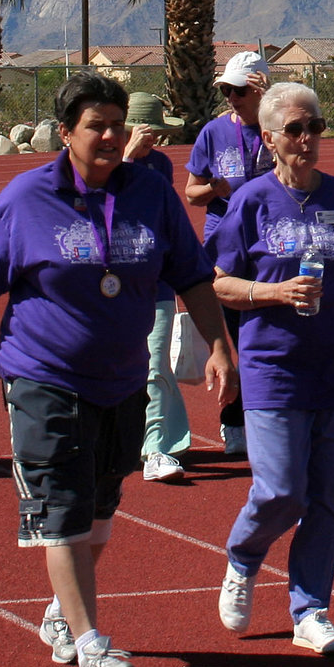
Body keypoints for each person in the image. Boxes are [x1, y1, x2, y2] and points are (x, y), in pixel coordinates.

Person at [0, 71, 235, 667]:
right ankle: (92, 649)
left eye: (118, 124)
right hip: (43, 375)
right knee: (61, 506)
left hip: (121, 378)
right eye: (97, 126)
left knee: (100, 508)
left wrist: (220, 344)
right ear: (66, 133)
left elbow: (192, 274)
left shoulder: (151, 193)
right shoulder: (27, 197)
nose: (112, 136)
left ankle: (62, 615)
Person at [207, 82, 334, 655]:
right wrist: (273, 293)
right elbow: (218, 282)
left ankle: (311, 610)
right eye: (295, 129)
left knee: (325, 497)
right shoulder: (250, 201)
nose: (307, 139)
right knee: (281, 492)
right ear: (269, 138)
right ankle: (244, 557)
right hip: (272, 365)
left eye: (315, 127)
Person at [184, 50, 272, 460]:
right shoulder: (214, 133)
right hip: (226, 245)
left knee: (268, 337)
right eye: (226, 90)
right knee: (237, 337)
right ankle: (234, 422)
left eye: (240, 90)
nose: (232, 97)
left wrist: (275, 110)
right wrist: (214, 190)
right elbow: (191, 192)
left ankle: (270, 420)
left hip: (271, 244)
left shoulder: (280, 128)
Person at [120, 92, 192, 482]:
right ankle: (163, 438)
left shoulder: (161, 165)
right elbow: (106, 203)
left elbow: (156, 212)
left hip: (157, 280)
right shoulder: (106, 161)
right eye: (145, 133)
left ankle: (156, 449)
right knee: (128, 367)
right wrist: (127, 156)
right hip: (113, 284)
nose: (153, 141)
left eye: (156, 134)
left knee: (154, 362)